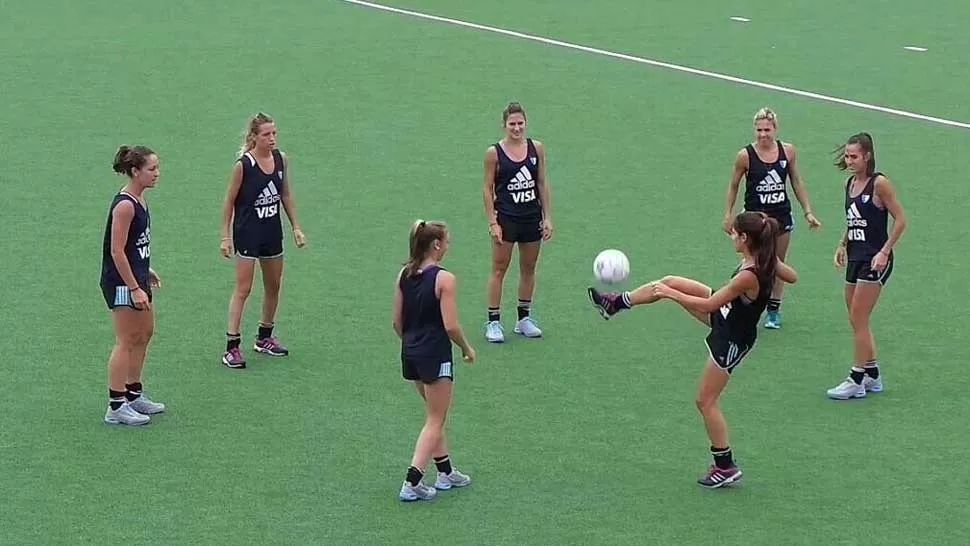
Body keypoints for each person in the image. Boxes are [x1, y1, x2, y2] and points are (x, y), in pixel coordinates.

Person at [587, 211, 798, 488]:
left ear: (746, 238)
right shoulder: (762, 258)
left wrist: (671, 296)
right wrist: (669, 290)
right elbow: (791, 276)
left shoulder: (748, 275)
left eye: (734, 233)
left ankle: (725, 465)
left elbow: (708, 306)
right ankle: (615, 303)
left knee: (705, 400)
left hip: (732, 337)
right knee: (671, 279)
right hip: (728, 315)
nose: (731, 236)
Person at [392, 220, 476, 501]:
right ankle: (412, 480)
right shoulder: (444, 279)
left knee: (433, 415)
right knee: (436, 419)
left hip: (411, 353)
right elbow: (450, 326)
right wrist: (466, 348)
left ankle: (445, 471)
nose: (448, 246)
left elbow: (396, 321)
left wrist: (412, 343)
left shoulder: (404, 274)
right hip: (435, 354)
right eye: (447, 241)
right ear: (436, 244)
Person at [219, 112, 306, 369]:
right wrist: (225, 237)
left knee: (273, 285)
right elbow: (228, 202)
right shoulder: (243, 165)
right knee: (243, 288)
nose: (272, 138)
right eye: (266, 134)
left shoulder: (281, 160)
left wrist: (295, 227)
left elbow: (285, 195)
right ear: (254, 137)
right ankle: (231, 346)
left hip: (271, 232)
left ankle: (264, 336)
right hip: (247, 233)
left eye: (274, 133)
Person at [723, 107, 820, 329]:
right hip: (754, 221)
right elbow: (733, 185)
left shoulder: (788, 151)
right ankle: (736, 303)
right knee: (749, 262)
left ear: (775, 128)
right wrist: (728, 214)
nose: (763, 134)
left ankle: (773, 310)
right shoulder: (745, 156)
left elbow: (796, 181)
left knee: (777, 264)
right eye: (759, 130)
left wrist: (807, 211)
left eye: (767, 129)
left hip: (781, 218)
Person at [827, 132, 906, 400]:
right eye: (847, 156)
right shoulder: (849, 184)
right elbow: (853, 220)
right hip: (856, 257)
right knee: (855, 318)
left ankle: (856, 379)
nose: (849, 161)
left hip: (874, 258)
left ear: (867, 156)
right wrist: (841, 244)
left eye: (854, 156)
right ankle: (873, 375)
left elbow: (901, 220)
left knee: (859, 317)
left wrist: (885, 251)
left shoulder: (879, 184)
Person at [100, 145, 166, 426]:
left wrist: (144, 269)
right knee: (126, 340)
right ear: (135, 172)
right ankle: (116, 406)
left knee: (145, 333)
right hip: (121, 282)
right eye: (152, 169)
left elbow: (131, 245)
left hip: (136, 276)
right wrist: (134, 287)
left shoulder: (140, 200)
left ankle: (133, 393)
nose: (157, 174)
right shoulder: (126, 205)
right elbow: (116, 251)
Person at [481, 101, 553, 343]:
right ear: (504, 125)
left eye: (520, 123)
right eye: (512, 124)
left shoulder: (536, 148)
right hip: (507, 218)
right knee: (499, 269)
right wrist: (493, 222)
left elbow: (541, 183)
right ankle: (493, 322)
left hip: (531, 217)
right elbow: (486, 188)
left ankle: (523, 318)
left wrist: (547, 217)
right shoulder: (494, 153)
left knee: (528, 268)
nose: (516, 128)